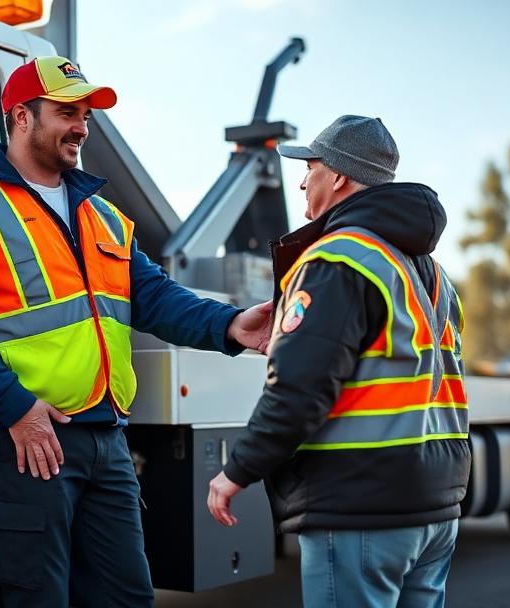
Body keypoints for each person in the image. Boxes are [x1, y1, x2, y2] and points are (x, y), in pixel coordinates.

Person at [0, 56, 272, 608]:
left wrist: (228, 325)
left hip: (107, 439)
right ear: (21, 118)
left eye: (84, 113)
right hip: (29, 440)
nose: (81, 125)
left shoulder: (103, 215)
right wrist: (16, 408)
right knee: (39, 599)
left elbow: (152, 297)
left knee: (128, 597)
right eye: (66, 112)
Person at [207, 115, 471, 608]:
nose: (303, 180)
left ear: (340, 176)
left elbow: (299, 388)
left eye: (310, 166)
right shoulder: (433, 274)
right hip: (436, 503)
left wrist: (237, 470)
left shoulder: (339, 259)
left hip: (362, 504)